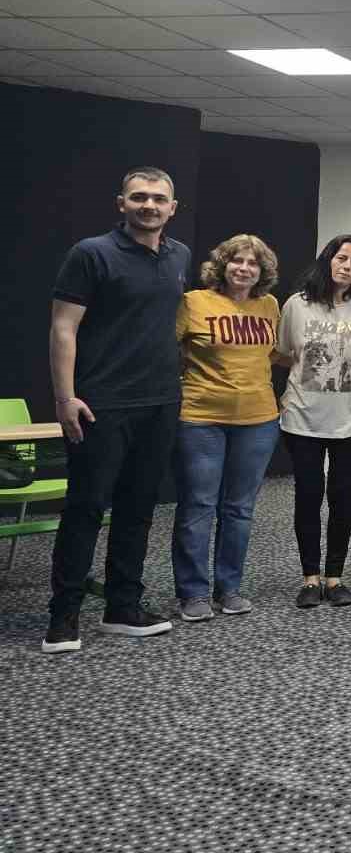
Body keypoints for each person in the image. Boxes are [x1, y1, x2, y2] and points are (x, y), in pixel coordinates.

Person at [43, 167, 191, 655]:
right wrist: (65, 397)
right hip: (100, 403)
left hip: (160, 402)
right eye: (139, 197)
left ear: (173, 208)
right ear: (121, 203)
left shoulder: (179, 255)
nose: (149, 205)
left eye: (159, 199)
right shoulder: (91, 253)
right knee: (85, 509)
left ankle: (122, 607)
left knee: (138, 510)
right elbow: (63, 328)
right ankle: (63, 616)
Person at [171, 233, 282, 622]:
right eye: (237, 261)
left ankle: (229, 588)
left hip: (259, 420)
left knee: (239, 509)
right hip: (200, 419)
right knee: (198, 506)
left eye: (253, 263)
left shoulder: (269, 305)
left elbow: (272, 353)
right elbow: (167, 350)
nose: (244, 269)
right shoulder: (194, 302)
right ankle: (193, 593)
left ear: (262, 272)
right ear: (222, 265)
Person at [276, 235, 351, 609]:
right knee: (308, 497)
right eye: (342, 258)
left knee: (342, 498)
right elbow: (283, 354)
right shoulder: (298, 304)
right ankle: (310, 578)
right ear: (328, 259)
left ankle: (335, 577)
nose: (347, 266)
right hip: (302, 418)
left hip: (350, 422)